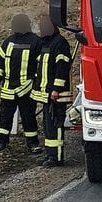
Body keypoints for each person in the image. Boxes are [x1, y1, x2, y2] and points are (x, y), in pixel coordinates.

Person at [0, 14, 42, 153]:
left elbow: (41, 65)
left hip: (26, 88)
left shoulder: (35, 42)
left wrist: (36, 82)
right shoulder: (8, 42)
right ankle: (1, 141)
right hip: (8, 88)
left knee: (28, 117)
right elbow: (0, 61)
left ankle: (33, 143)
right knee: (5, 117)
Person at [31, 15, 73, 167]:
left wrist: (56, 89)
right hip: (46, 94)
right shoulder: (45, 44)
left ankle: (57, 158)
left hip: (56, 95)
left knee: (55, 126)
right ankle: (50, 155)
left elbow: (62, 68)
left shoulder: (59, 43)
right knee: (48, 127)